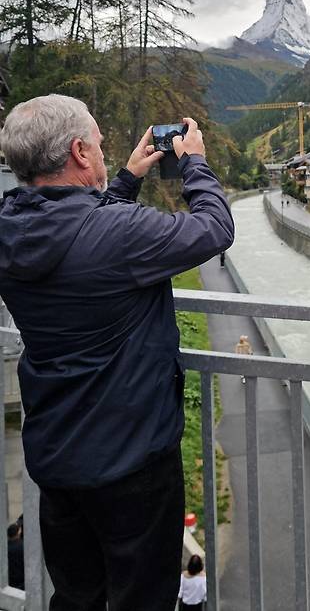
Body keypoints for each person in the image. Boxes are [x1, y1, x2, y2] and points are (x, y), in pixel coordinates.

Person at [0, 95, 234, 611]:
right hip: (133, 463)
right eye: (101, 146)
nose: (107, 153)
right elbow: (215, 230)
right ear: (81, 152)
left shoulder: (10, 226)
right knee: (142, 599)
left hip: (57, 456)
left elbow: (76, 229)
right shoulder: (119, 235)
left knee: (78, 595)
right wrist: (194, 162)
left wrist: (125, 180)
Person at [7, 520, 24, 590]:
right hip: (21, 583)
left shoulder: (4, 547)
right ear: (18, 533)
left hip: (9, 582)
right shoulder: (23, 546)